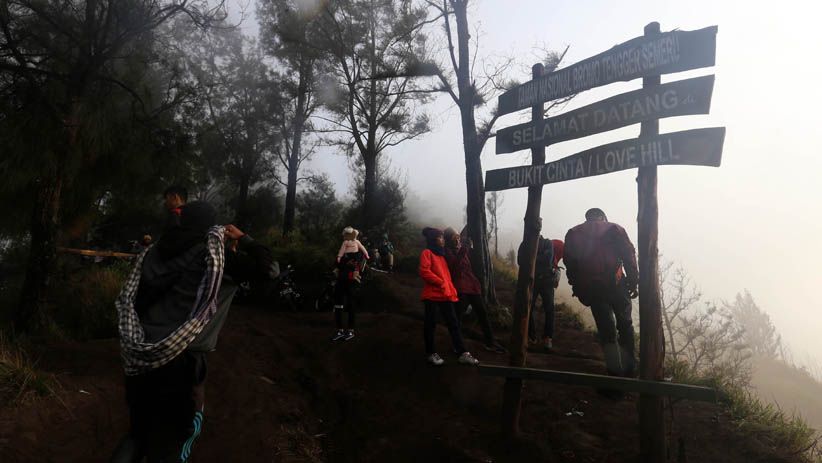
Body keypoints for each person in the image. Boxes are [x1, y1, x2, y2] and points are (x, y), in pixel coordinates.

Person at [111, 201, 273, 462]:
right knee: (174, 441)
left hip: (140, 356)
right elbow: (269, 269)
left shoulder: (152, 252)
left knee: (137, 435)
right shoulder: (213, 257)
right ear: (211, 226)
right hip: (182, 362)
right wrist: (244, 238)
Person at [564, 208, 638, 380]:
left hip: (594, 289)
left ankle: (614, 375)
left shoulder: (574, 232)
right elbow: (629, 255)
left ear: (587, 218)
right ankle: (630, 371)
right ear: (603, 217)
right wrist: (633, 282)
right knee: (625, 326)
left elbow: (570, 262)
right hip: (617, 285)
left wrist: (577, 287)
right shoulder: (615, 228)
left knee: (607, 332)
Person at [419, 227, 479, 366]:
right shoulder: (427, 253)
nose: (443, 239)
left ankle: (462, 353)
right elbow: (424, 272)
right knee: (430, 324)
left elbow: (449, 273)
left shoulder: (442, 256)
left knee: (454, 324)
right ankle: (431, 353)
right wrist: (441, 282)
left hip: (445, 295)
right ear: (434, 239)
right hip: (432, 295)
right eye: (440, 237)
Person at [443, 227, 507, 354]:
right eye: (454, 236)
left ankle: (490, 342)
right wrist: (463, 250)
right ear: (449, 239)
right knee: (458, 317)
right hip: (460, 288)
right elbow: (455, 268)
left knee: (482, 313)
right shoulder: (447, 252)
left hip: (472, 287)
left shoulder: (462, 249)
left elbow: (469, 266)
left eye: (458, 236)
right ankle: (457, 344)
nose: (458, 238)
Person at [331, 227, 369, 341]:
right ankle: (340, 330)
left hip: (351, 282)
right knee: (338, 305)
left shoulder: (360, 254)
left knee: (351, 305)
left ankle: (350, 330)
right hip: (341, 280)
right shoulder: (344, 249)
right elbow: (337, 264)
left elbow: (360, 268)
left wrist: (350, 265)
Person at [528, 237, 564, 351]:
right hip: (536, 279)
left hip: (545, 279)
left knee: (548, 308)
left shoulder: (549, 243)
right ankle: (533, 336)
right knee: (530, 306)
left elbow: (548, 260)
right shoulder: (528, 242)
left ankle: (545, 337)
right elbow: (521, 259)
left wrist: (531, 259)